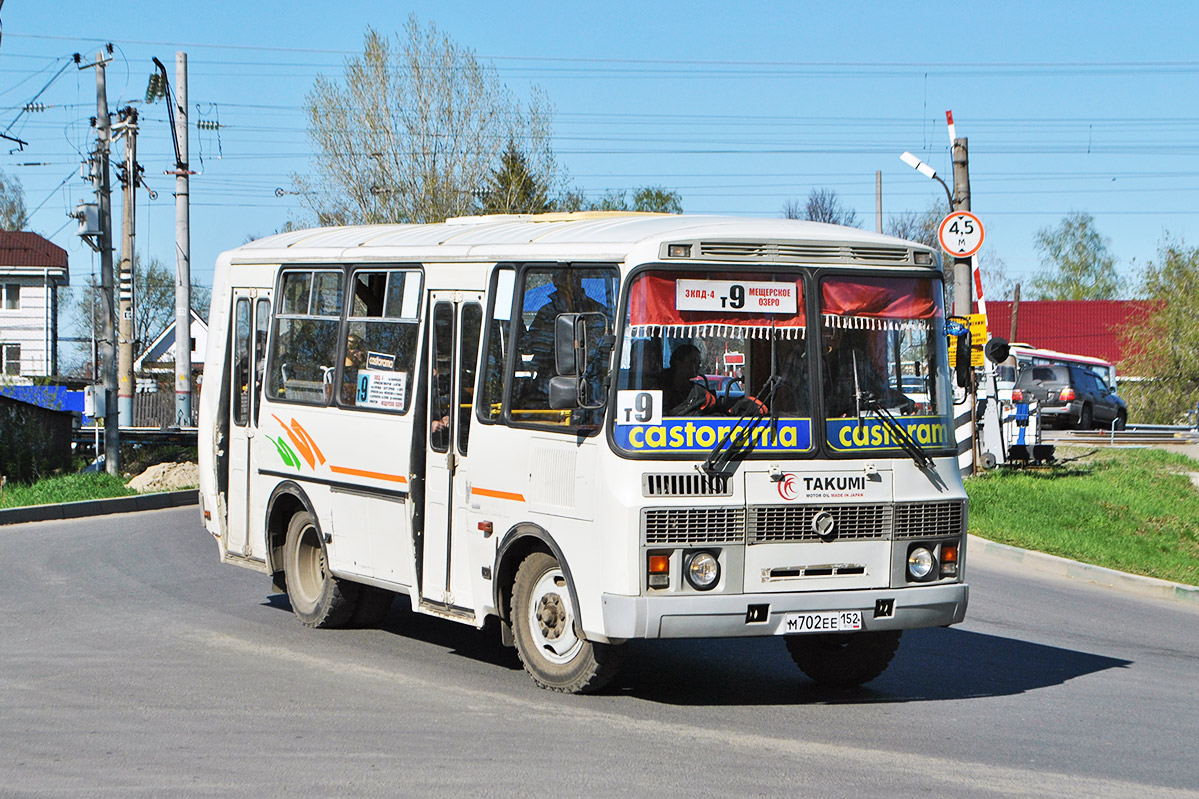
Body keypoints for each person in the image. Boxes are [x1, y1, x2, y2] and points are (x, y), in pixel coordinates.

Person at [659, 344, 717, 415]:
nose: (698, 366)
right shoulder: (661, 388)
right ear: (678, 363)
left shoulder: (698, 391)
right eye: (693, 362)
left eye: (699, 363)